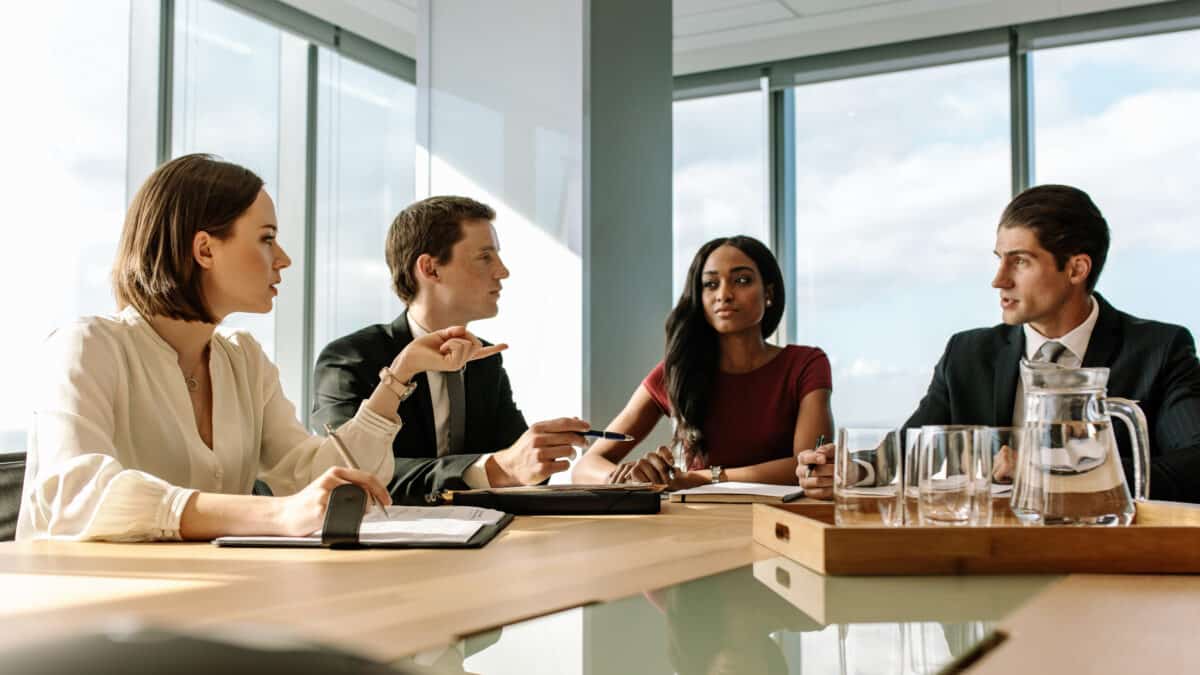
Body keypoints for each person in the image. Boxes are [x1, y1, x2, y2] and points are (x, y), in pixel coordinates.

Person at [17, 154, 500, 541]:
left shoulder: (242, 359)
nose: (284, 259)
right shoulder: (88, 348)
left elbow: (310, 473)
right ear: (204, 249)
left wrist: (400, 376)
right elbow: (75, 494)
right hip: (86, 621)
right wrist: (273, 514)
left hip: (207, 605)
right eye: (267, 239)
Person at [800, 184, 1200, 502]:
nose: (999, 280)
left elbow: (1193, 465)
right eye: (999, 259)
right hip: (984, 564)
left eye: (1020, 261)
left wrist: (1049, 467)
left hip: (1109, 561)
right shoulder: (968, 354)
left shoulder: (1159, 349)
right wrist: (851, 470)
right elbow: (909, 454)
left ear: (1077, 268)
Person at [312, 196, 589, 504]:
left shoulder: (485, 359)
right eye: (485, 257)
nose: (503, 271)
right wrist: (490, 470)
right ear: (430, 269)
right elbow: (347, 468)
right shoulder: (349, 360)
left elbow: (515, 466)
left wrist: (539, 454)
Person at [573, 235, 833, 488]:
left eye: (741, 280)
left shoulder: (805, 364)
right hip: (698, 524)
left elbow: (811, 467)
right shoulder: (678, 371)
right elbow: (586, 467)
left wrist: (703, 478)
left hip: (783, 522)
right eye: (710, 284)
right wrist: (624, 478)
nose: (724, 294)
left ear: (769, 292)